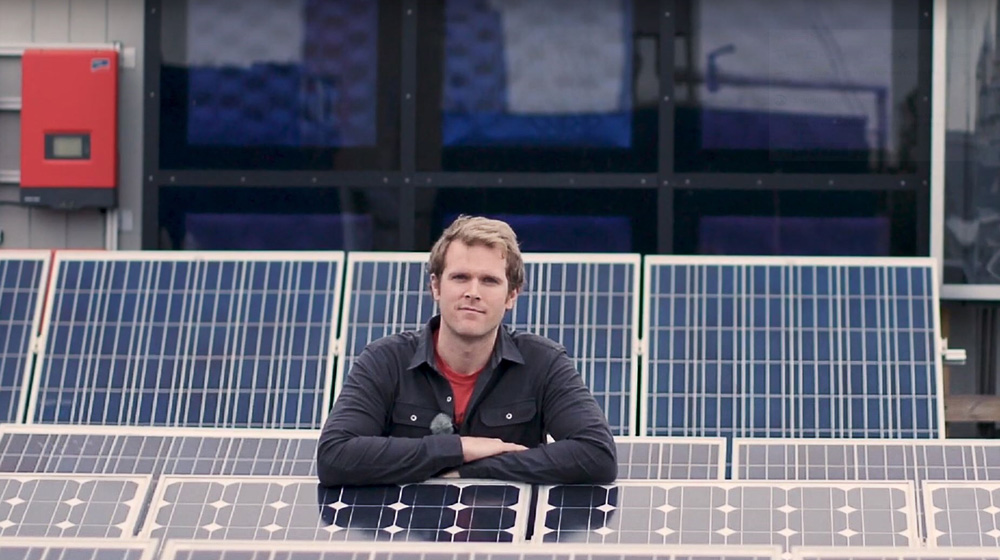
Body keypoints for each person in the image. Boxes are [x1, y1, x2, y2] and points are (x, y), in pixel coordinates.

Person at [317, 215, 617, 486]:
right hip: (406, 540)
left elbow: (596, 454)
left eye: (489, 281)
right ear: (435, 286)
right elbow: (335, 456)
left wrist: (473, 470)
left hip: (504, 540)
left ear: (511, 295)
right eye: (460, 277)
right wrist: (460, 448)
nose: (473, 292)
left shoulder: (543, 362)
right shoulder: (386, 360)